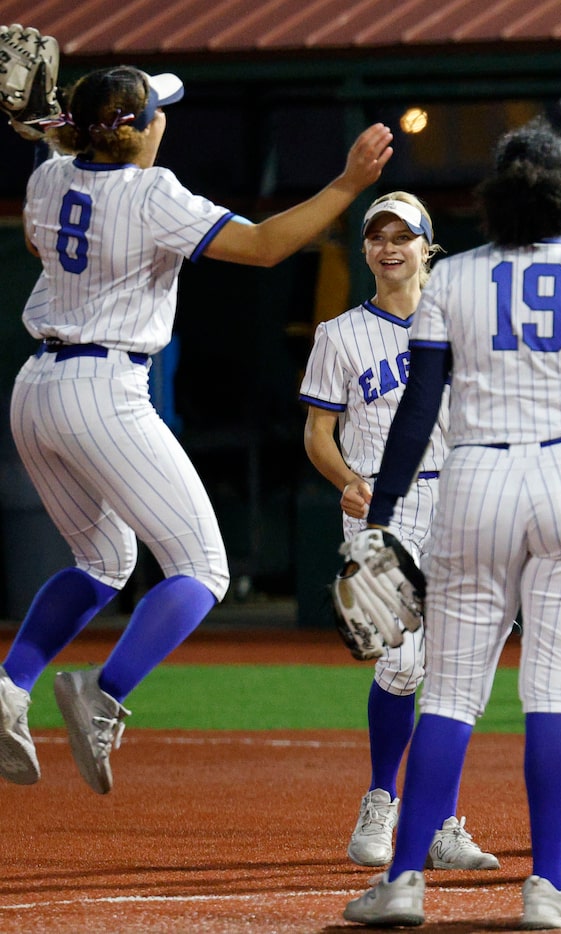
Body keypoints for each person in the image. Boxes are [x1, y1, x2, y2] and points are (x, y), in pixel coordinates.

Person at [0, 64, 393, 793]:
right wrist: (345, 185)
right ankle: (103, 693)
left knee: (105, 560)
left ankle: (10, 685)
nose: (165, 120)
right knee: (202, 568)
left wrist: (53, 138)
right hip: (102, 388)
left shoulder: (48, 181)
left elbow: (39, 243)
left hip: (34, 390)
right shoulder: (152, 193)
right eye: (157, 111)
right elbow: (266, 246)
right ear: (141, 128)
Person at [342, 118, 561, 929]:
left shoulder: (452, 280)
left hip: (476, 479)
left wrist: (384, 514)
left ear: (491, 197)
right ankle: (548, 887)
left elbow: (418, 408)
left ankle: (400, 881)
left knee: (452, 694)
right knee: (555, 695)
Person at [299, 192, 497, 871]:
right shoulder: (340, 333)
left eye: (403, 236)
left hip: (464, 499)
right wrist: (345, 478)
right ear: (365, 250)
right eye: (377, 236)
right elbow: (316, 433)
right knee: (401, 663)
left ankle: (440, 819)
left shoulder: (467, 324)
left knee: (456, 672)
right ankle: (382, 798)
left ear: (427, 246)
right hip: (384, 506)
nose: (390, 247)